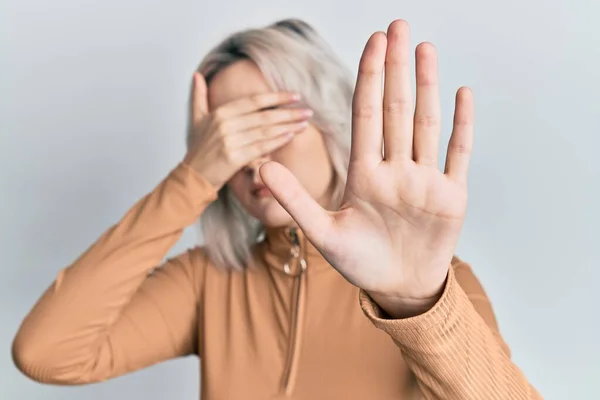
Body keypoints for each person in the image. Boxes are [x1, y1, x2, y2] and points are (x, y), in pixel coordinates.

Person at [12, 18, 541, 399]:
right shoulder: (212, 281)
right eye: (226, 137)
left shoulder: (430, 287)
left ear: (334, 118)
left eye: (267, 122)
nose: (249, 157)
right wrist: (192, 176)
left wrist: (417, 306)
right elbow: (47, 353)